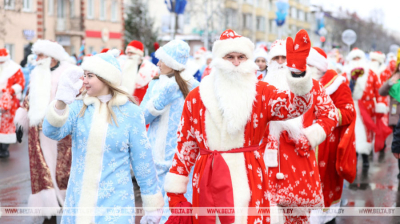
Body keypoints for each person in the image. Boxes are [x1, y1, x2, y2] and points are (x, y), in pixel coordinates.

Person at [164, 29, 315, 224]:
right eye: (230, 57)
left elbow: (296, 106)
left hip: (251, 176)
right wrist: (175, 192)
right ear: (218, 59)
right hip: (208, 178)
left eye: (241, 57)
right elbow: (186, 145)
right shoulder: (196, 97)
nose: (236, 62)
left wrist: (298, 74)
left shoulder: (261, 92)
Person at [42, 52, 164, 223]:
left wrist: (152, 206)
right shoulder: (78, 108)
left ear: (106, 79)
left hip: (116, 206)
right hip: (79, 204)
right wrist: (60, 102)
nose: (84, 80)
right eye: (84, 75)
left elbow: (143, 162)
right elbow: (51, 132)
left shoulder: (131, 113)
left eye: (89, 76)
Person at [261, 45, 338, 223]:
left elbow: (330, 115)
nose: (280, 63)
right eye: (276, 58)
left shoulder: (312, 86)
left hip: (298, 156)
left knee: (297, 215)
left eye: (284, 58)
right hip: (264, 159)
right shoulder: (260, 87)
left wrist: (309, 137)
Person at [13, 40, 74, 222]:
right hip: (37, 135)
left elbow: (76, 103)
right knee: (42, 172)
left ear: (52, 58)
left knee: (61, 172)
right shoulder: (36, 74)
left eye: (41, 55)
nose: (37, 59)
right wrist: (20, 122)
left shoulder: (68, 74)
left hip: (61, 134)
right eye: (37, 55)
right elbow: (28, 100)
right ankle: (49, 212)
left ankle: (63, 207)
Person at [140, 39, 199, 223]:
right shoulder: (155, 84)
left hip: (183, 156)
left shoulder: (193, 86)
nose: (158, 63)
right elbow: (140, 118)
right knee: (155, 207)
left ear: (172, 63)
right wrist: (159, 101)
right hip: (156, 155)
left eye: (162, 60)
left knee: (177, 204)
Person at [306, 47, 357, 224]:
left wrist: (325, 116)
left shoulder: (337, 83)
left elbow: (349, 112)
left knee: (324, 197)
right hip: (299, 148)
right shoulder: (294, 81)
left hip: (326, 146)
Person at [342, 48, 390, 168]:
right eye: (354, 58)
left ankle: (365, 159)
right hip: (351, 108)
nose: (357, 60)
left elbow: (379, 91)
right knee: (351, 134)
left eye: (359, 58)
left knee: (366, 133)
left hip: (367, 109)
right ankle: (353, 159)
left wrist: (381, 104)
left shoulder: (371, 73)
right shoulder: (345, 74)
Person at [0, 48, 25, 158]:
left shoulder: (15, 69)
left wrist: (9, 91)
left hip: (9, 103)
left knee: (7, 126)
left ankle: (4, 148)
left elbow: (21, 83)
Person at [379, 63, 400, 179]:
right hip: (396, 117)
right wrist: (391, 81)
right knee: (398, 143)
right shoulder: (394, 79)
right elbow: (381, 92)